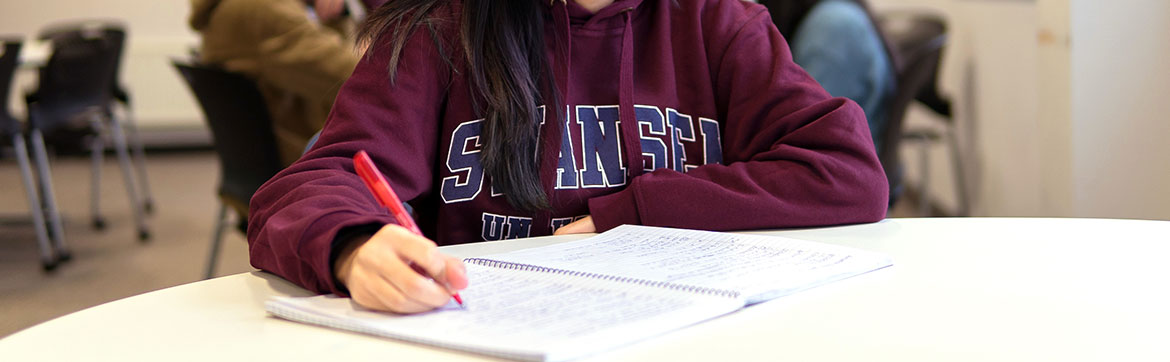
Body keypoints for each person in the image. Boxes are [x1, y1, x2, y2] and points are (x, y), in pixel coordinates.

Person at [248, 0, 890, 314]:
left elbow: (844, 171)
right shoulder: (439, 30)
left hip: (686, 331)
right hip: (486, 337)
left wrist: (636, 211)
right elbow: (307, 187)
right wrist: (354, 245)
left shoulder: (716, 21)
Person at [188, 0, 360, 166]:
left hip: (284, 151)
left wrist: (334, 17)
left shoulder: (236, 6)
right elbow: (359, 80)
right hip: (306, 159)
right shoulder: (266, 8)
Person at [756, 0, 895, 155]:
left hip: (840, 170)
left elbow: (807, 134)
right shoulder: (837, 16)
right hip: (842, 165)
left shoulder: (833, 26)